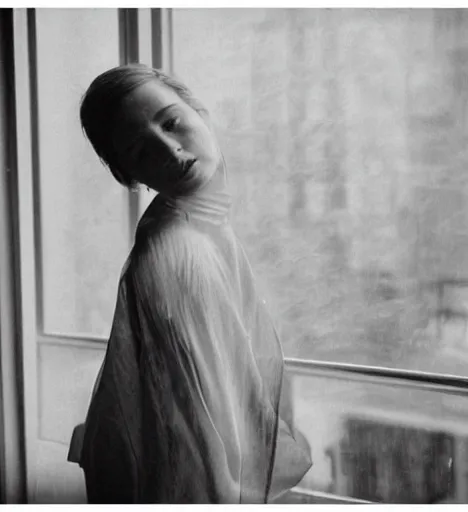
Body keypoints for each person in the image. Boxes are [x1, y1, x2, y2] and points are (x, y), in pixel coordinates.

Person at [68, 63, 312, 504]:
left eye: (172, 122)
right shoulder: (182, 253)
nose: (170, 151)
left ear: (198, 110)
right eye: (142, 152)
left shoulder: (197, 225)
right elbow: (206, 438)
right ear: (131, 177)